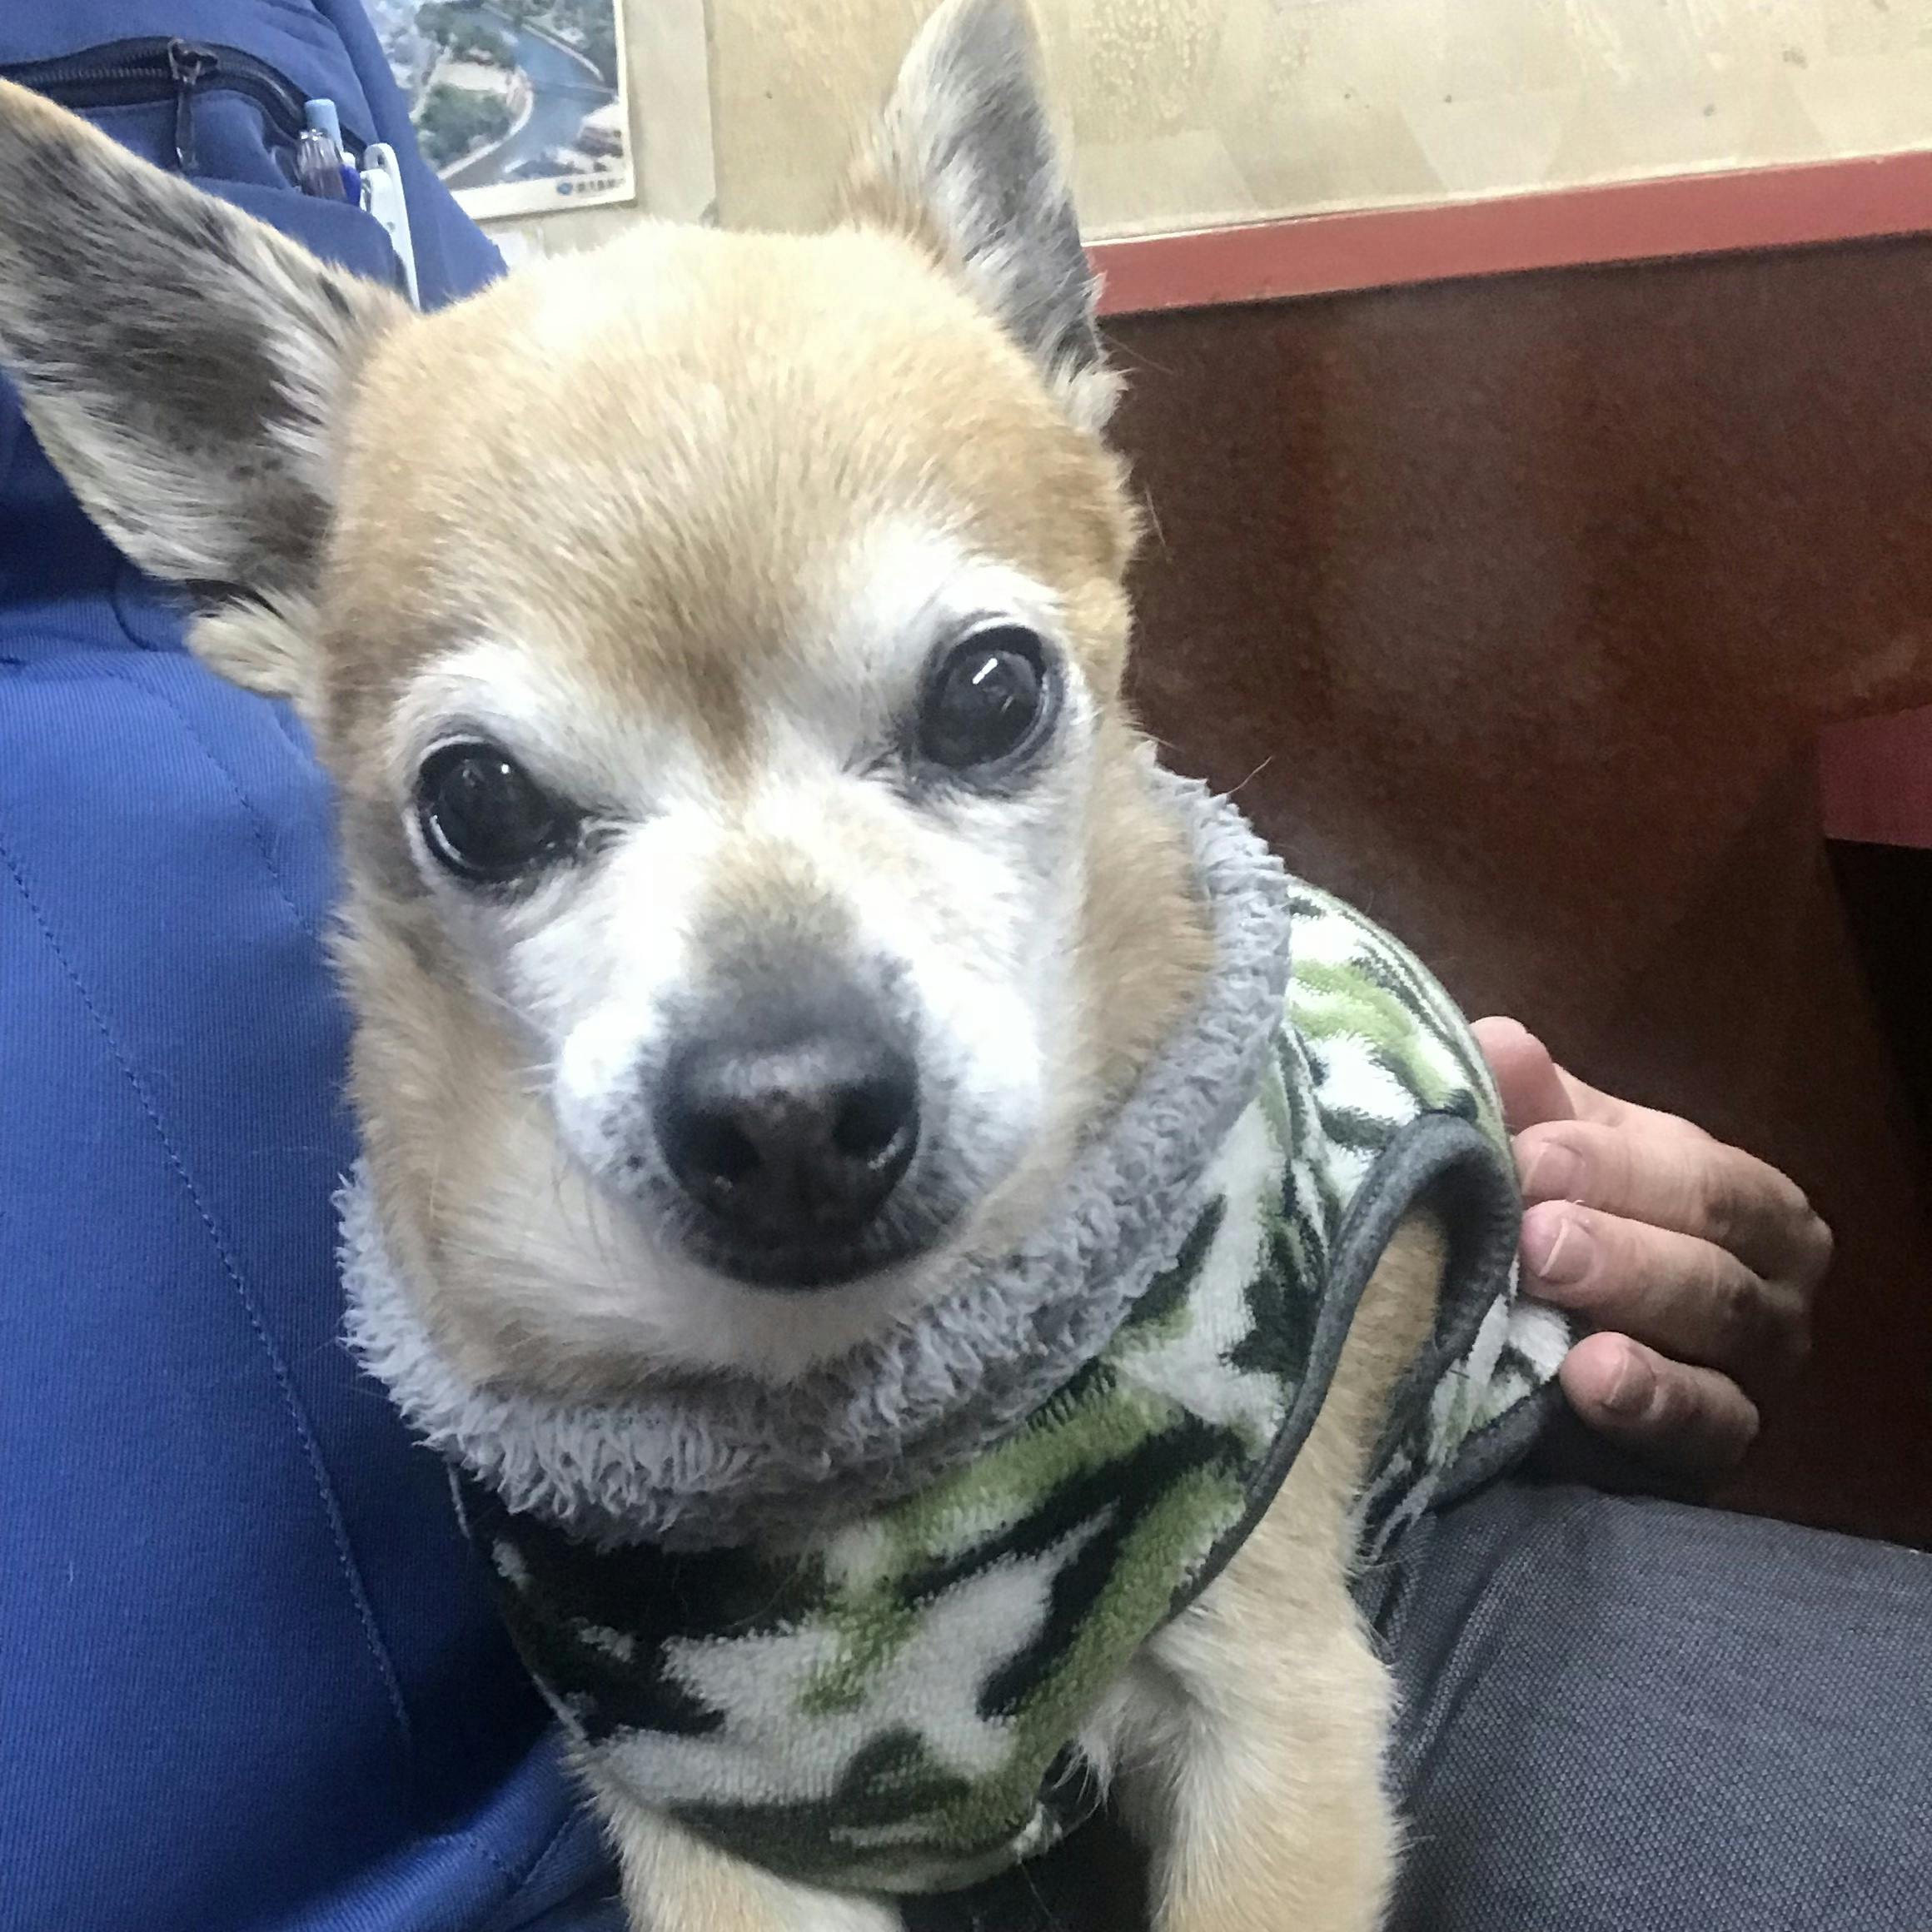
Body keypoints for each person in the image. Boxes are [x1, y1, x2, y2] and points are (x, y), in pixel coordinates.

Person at [0, 6, 1925, 1928]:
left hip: (1328, 1546)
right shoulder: (354, 479)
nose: (785, 1070)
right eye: (500, 805)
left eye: (973, 704)